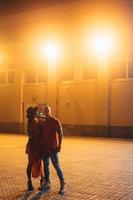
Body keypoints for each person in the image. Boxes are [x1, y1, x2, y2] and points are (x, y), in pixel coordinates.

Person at [40, 105, 66, 194]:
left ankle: (63, 183)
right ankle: (47, 183)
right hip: (44, 148)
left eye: (47, 110)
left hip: (53, 148)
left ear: (50, 111)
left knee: (56, 166)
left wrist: (59, 145)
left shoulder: (55, 121)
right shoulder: (42, 122)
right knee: (46, 166)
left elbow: (60, 133)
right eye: (45, 110)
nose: (46, 112)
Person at [25, 107, 44, 191]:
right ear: (32, 115)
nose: (36, 113)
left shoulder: (36, 121)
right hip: (33, 147)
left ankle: (42, 181)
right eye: (35, 112)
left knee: (40, 164)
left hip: (38, 146)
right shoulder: (30, 124)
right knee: (31, 163)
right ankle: (29, 182)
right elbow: (30, 136)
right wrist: (33, 149)